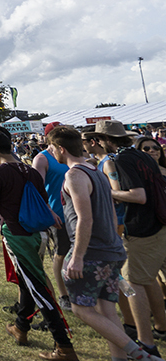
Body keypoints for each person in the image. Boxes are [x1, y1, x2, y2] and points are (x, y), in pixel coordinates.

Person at [48, 126, 163, 361]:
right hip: (110, 249)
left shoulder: (75, 174)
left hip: (90, 252)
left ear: (60, 148)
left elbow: (84, 218)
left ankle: (139, 354)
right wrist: (115, 244)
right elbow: (111, 213)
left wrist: (78, 256)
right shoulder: (97, 170)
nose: (51, 153)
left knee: (81, 309)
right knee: (107, 310)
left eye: (51, 148)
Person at [0, 126, 76, 360]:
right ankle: (21, 327)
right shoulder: (29, 169)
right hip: (37, 234)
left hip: (16, 234)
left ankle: (63, 346)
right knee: (28, 281)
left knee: (38, 287)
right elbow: (42, 199)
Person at [91, 120, 166, 357]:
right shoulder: (139, 155)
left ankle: (146, 342)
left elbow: (138, 196)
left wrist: (107, 191)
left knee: (133, 284)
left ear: (105, 140)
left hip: (141, 228)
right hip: (153, 225)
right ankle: (160, 327)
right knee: (146, 279)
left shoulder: (121, 159)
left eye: (98, 139)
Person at [33, 134, 74, 314]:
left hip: (76, 211)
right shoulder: (42, 158)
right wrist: (49, 211)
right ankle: (64, 295)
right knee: (61, 253)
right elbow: (38, 188)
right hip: (58, 214)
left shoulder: (68, 152)